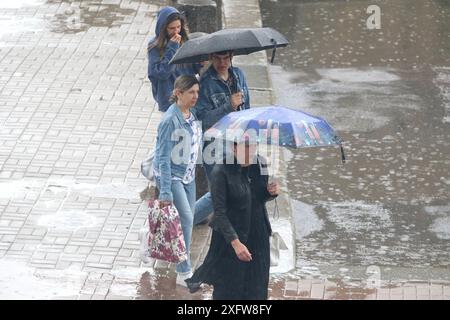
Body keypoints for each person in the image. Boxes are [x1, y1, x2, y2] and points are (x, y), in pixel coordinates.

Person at [186, 140, 280, 299]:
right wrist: (236, 243)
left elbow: (258, 198)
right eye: (246, 147)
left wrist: (270, 193)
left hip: (258, 236)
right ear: (234, 148)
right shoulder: (221, 171)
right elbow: (220, 213)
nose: (251, 151)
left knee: (257, 288)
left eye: (254, 146)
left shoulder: (260, 164)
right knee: (229, 289)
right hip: (230, 239)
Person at [150, 75, 202, 286]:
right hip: (172, 176)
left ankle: (158, 247)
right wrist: (165, 192)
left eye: (197, 92)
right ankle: (184, 271)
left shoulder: (192, 113)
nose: (195, 96)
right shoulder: (170, 120)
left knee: (186, 219)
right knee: (188, 220)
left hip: (189, 176)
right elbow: (162, 156)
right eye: (191, 92)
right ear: (178, 93)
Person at [192, 50, 251, 225]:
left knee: (236, 189)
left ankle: (229, 229)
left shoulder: (239, 76)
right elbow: (202, 120)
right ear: (211, 58)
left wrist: (248, 138)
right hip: (215, 144)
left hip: (237, 141)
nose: (222, 62)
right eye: (218, 58)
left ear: (232, 57)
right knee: (220, 191)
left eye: (226, 58)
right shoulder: (206, 83)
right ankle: (181, 225)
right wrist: (228, 106)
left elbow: (248, 108)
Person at [147, 6, 200, 112]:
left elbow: (192, 69)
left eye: (178, 27)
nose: (176, 31)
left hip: (187, 97)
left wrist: (200, 63)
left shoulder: (185, 41)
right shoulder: (155, 46)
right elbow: (161, 73)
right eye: (171, 28)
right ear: (163, 28)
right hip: (169, 100)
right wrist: (172, 48)